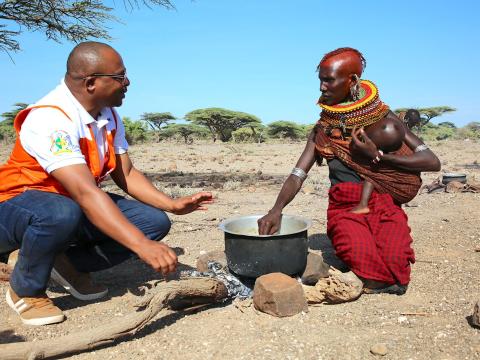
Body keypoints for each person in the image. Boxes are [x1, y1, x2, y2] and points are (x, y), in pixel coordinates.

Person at [0, 41, 213, 326]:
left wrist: (172, 205)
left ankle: (61, 264)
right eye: (119, 76)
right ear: (90, 83)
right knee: (61, 213)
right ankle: (26, 289)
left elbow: (126, 172)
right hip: (15, 209)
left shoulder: (108, 116)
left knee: (153, 222)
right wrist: (140, 245)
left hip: (68, 206)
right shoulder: (50, 118)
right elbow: (86, 192)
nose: (127, 82)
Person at [258, 47, 440, 295]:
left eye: (328, 80)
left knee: (397, 259)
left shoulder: (384, 118)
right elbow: (298, 173)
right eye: (320, 80)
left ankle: (372, 270)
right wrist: (276, 209)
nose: (322, 87)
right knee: (364, 259)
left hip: (384, 201)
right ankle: (360, 260)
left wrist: (378, 156)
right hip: (345, 206)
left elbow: (431, 161)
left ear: (352, 80)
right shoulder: (323, 128)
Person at [349, 117, 420, 214]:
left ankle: (363, 205)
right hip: (412, 185)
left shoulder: (380, 155)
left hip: (404, 188)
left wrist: (358, 135)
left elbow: (370, 157)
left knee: (371, 176)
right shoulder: (406, 149)